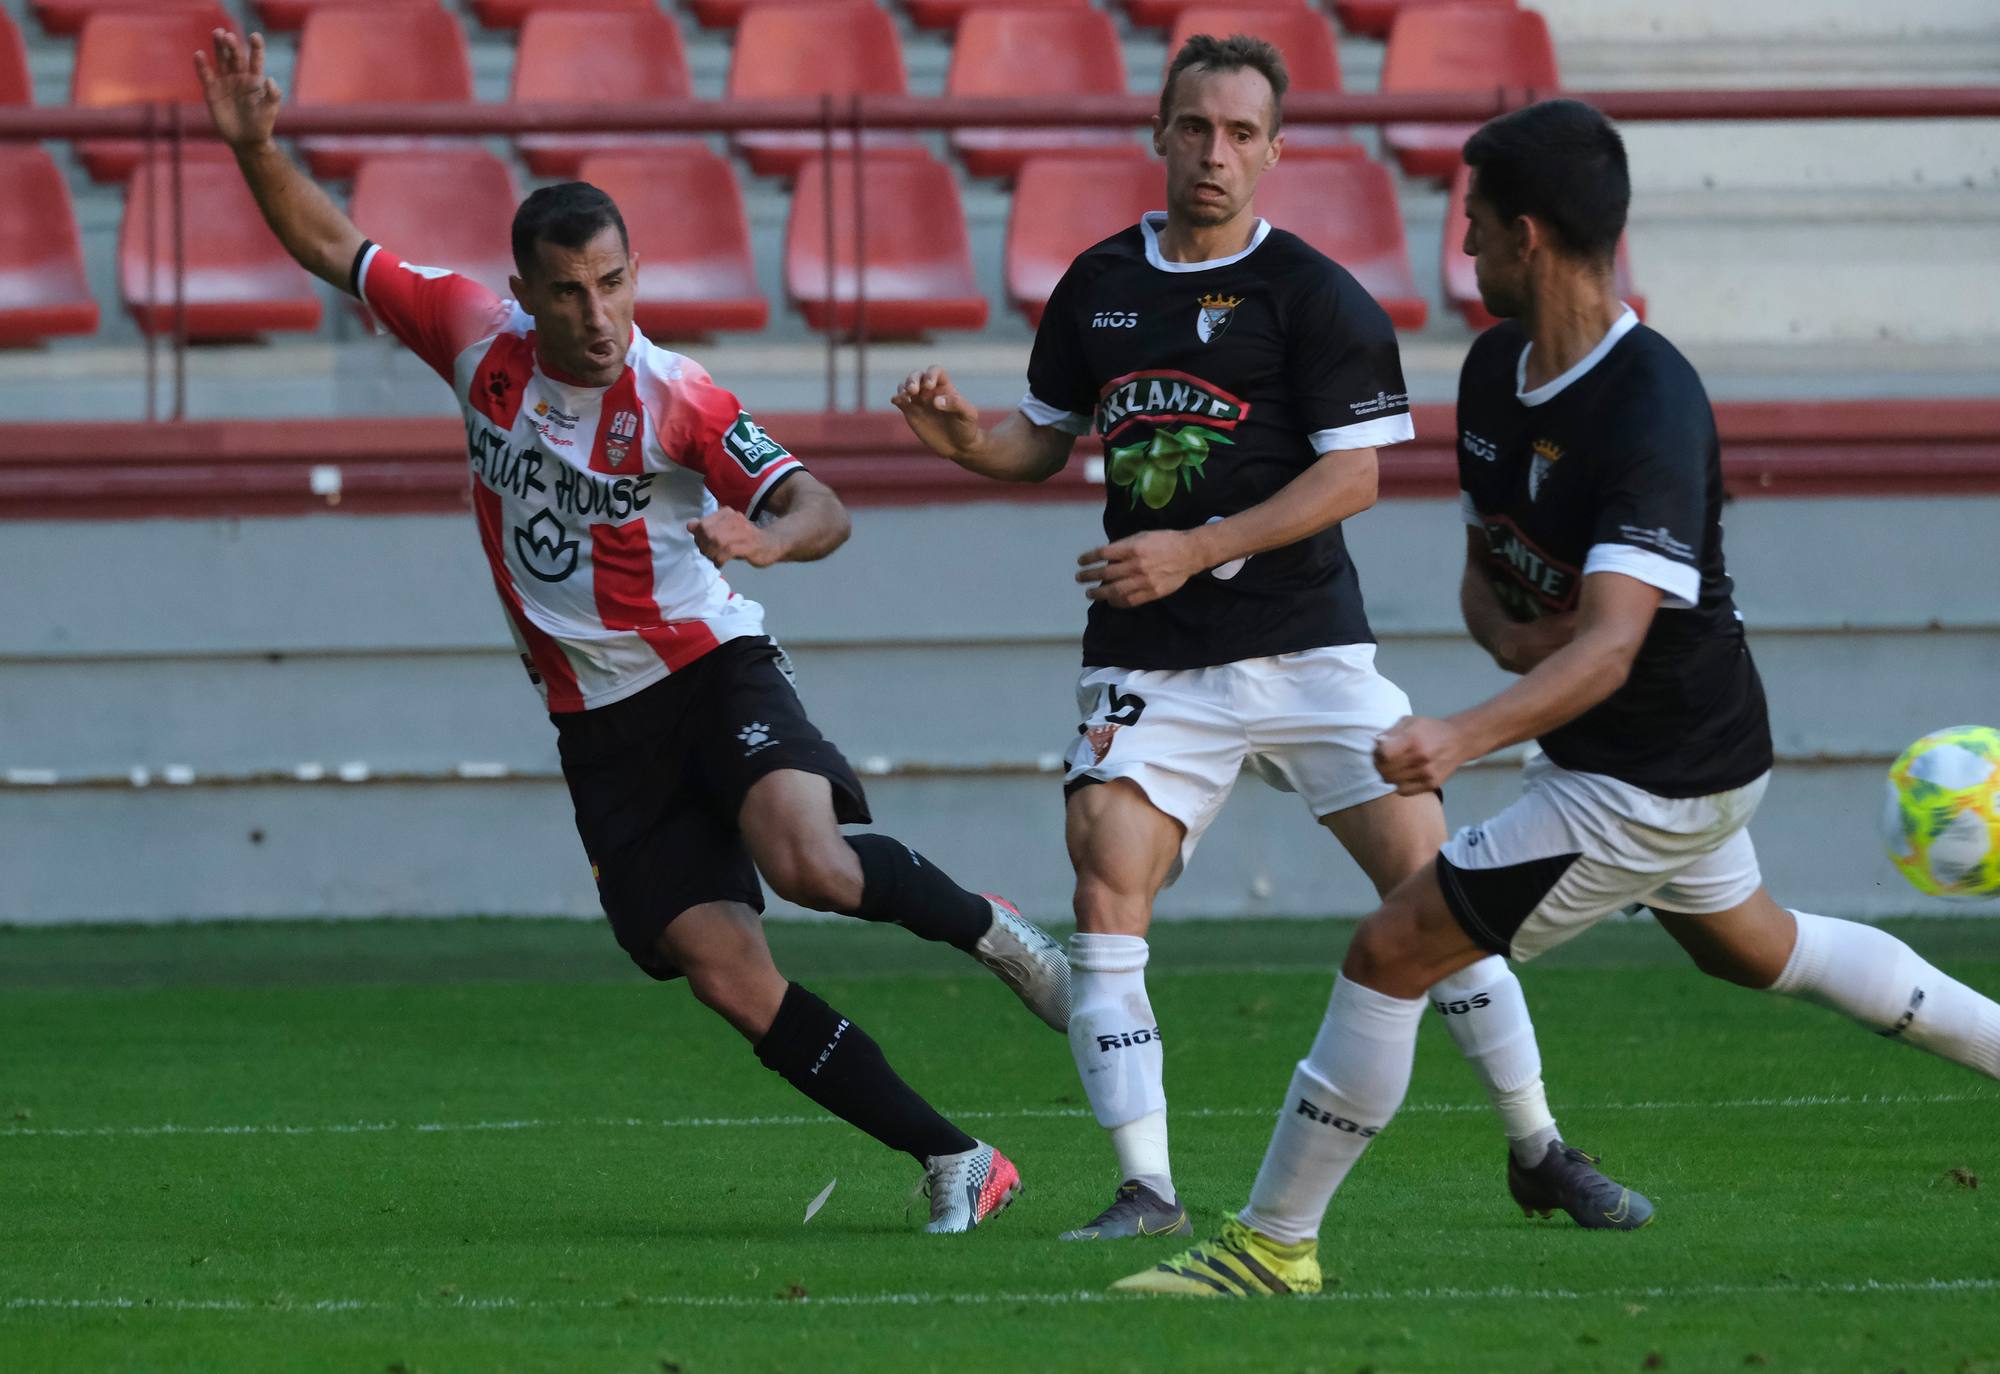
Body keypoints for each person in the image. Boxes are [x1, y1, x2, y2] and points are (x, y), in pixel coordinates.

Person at [1117, 97, 2000, 1296]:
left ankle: (1271, 1246)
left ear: (1525, 234)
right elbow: (1501, 596)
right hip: (1641, 752)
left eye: (1473, 224)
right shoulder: (1495, 372)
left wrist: (1457, 737)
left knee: (1390, 948)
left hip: (1651, 773)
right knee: (1754, 948)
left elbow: (1605, 650)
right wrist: (1518, 643)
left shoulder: (1649, 407)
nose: (1461, 249)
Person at [195, 27, 1072, 1234]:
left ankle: (994, 931)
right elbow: (333, 247)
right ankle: (957, 1158)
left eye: (613, 283)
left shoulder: (677, 395)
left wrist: (764, 539)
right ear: (524, 294)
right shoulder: (467, 338)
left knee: (806, 861)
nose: (597, 314)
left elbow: (819, 506)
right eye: (568, 291)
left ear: (633, 274)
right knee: (727, 974)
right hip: (596, 725)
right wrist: (254, 148)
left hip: (710, 665)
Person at [894, 36, 1645, 1241]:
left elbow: (1351, 480)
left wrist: (1193, 545)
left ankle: (1538, 1146)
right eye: (1195, 127)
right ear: (1158, 132)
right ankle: (1145, 1187)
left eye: (1242, 133)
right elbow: (1040, 440)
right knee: (1104, 881)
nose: (1215, 153)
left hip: (1307, 651)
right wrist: (968, 445)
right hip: (1148, 661)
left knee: (1436, 892)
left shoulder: (1314, 295)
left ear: (1274, 151)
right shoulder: (1094, 285)